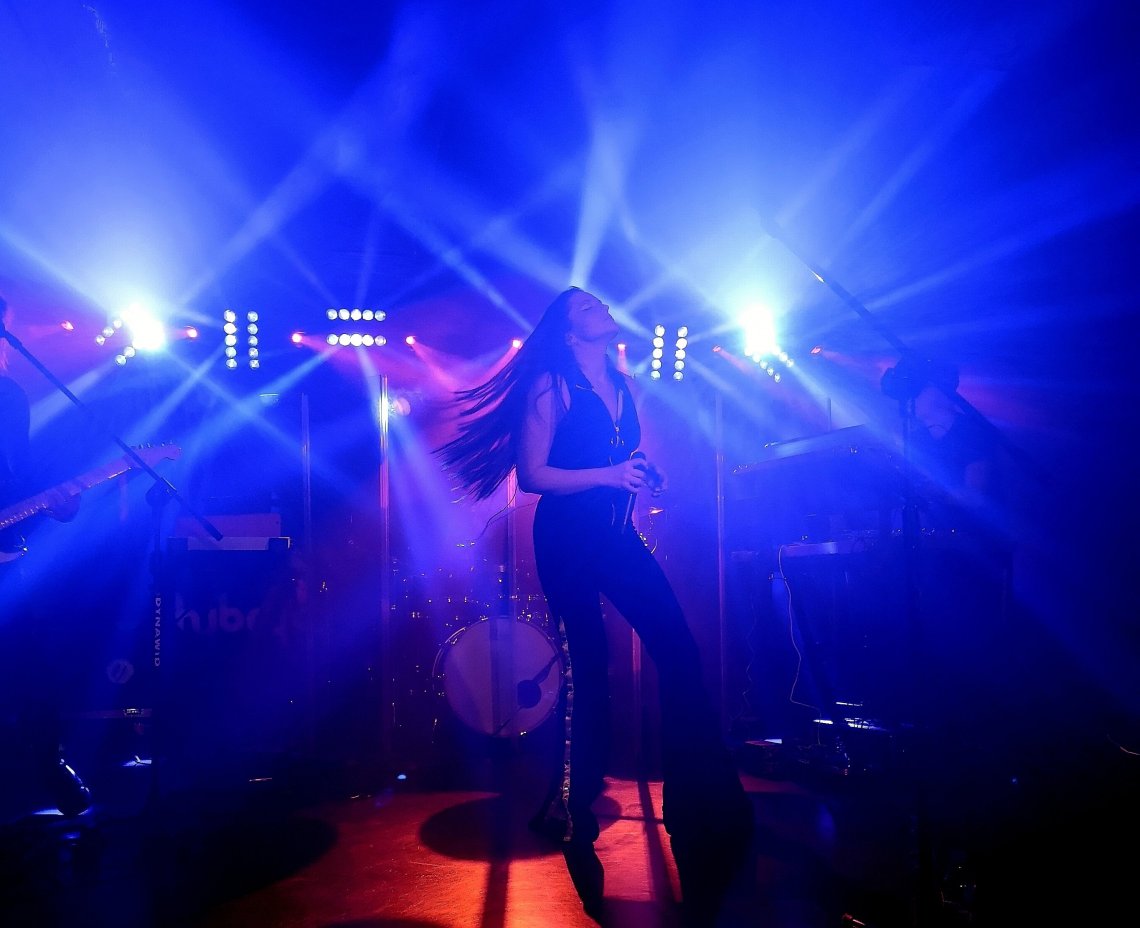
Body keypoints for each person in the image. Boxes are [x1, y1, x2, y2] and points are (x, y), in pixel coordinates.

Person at [437, 286, 753, 923]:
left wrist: (643, 472)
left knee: (680, 652)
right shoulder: (552, 386)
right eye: (587, 307)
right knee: (590, 674)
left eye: (598, 303)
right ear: (570, 331)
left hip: (616, 534)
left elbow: (618, 456)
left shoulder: (623, 384)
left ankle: (702, 799)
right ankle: (571, 809)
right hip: (567, 539)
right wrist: (612, 476)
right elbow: (534, 475)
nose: (601, 307)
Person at [0, 295, 90, 820]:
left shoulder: (10, 396)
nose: (6, 344)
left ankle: (51, 766)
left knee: (33, 671)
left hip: (7, 562)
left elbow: (17, 476)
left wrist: (56, 505)